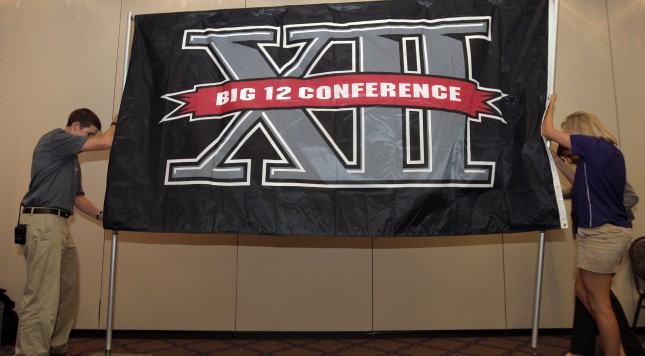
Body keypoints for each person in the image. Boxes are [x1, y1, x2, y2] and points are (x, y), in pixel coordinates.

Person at [15, 108, 117, 356]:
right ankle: (31, 352)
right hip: (43, 223)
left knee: (67, 293)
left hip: (58, 225)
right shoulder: (56, 139)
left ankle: (55, 346)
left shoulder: (69, 159)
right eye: (87, 134)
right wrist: (117, 120)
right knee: (42, 297)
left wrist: (103, 217)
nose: (89, 139)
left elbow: (77, 198)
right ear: (75, 125)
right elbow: (106, 142)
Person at [542, 93, 633, 356]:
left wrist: (549, 106)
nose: (570, 145)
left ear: (579, 132)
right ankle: (615, 343)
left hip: (603, 234)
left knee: (601, 304)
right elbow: (578, 187)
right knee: (583, 290)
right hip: (597, 233)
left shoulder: (595, 146)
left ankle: (614, 351)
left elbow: (548, 130)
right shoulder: (600, 157)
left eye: (570, 134)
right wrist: (556, 163)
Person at [553, 145, 643, 356]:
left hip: (606, 235)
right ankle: (589, 348)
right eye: (567, 159)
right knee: (587, 292)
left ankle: (625, 348)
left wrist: (603, 209)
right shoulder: (587, 167)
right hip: (592, 233)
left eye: (570, 155)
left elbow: (630, 197)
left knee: (597, 297)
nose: (572, 160)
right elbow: (582, 189)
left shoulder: (602, 162)